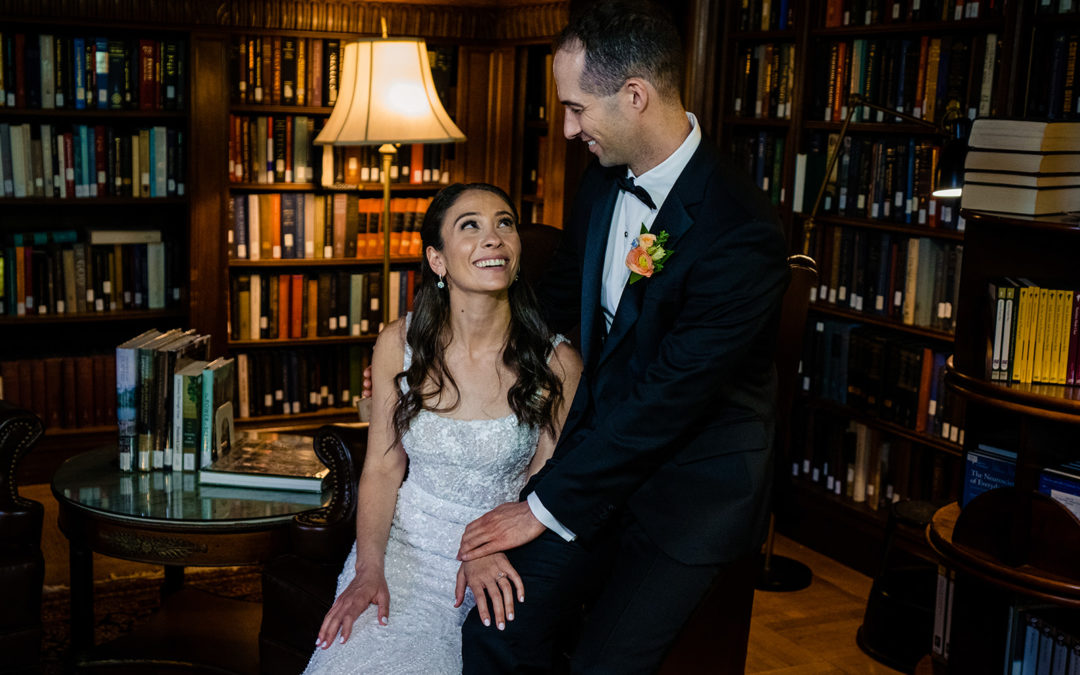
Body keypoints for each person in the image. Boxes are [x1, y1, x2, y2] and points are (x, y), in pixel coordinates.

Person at [454, 0, 791, 672]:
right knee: (495, 626)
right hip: (599, 463)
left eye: (578, 107)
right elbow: (551, 306)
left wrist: (543, 505)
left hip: (689, 493)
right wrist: (428, 350)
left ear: (634, 95)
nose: (569, 126)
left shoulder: (741, 231)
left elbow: (667, 399)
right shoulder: (603, 181)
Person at [303, 183, 582, 674]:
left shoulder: (557, 363)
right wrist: (369, 569)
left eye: (505, 223)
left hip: (500, 562)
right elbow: (384, 470)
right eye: (470, 225)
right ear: (437, 259)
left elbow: (547, 492)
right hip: (400, 553)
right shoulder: (397, 343)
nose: (493, 237)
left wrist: (484, 549)